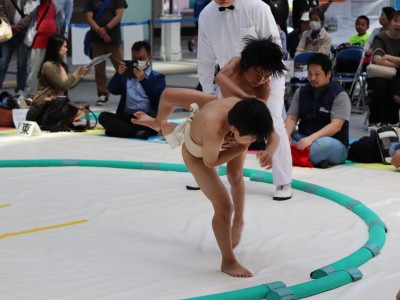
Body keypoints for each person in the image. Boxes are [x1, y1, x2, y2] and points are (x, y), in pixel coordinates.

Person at [134, 92, 279, 277]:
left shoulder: (251, 111)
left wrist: (270, 150)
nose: (252, 143)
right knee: (224, 207)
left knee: (235, 176)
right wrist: (241, 147)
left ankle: (161, 126)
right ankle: (228, 261)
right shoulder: (214, 126)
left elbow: (274, 135)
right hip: (197, 155)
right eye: (251, 139)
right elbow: (211, 161)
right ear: (233, 129)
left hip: (204, 133)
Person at [197, 0, 293, 200]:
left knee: (272, 120)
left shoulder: (258, 8)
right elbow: (205, 58)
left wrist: (263, 81)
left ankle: (283, 180)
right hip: (229, 77)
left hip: (265, 76)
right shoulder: (207, 14)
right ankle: (203, 172)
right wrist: (208, 95)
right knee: (214, 121)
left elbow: (274, 52)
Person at [285, 53, 351, 168]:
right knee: (277, 139)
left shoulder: (339, 95)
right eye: (310, 74)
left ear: (328, 74)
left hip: (332, 142)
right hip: (302, 138)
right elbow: (291, 117)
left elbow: (336, 126)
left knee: (319, 147)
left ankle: (293, 155)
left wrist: (310, 139)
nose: (312, 78)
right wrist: (285, 137)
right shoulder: (301, 92)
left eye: (317, 74)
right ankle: (305, 157)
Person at [98, 40, 166, 139]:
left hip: (147, 117)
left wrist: (143, 81)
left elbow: (158, 100)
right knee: (103, 117)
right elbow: (112, 90)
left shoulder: (158, 77)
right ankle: (136, 133)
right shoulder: (127, 74)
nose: (138, 62)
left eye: (141, 59)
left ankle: (123, 131)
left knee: (156, 119)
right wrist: (118, 74)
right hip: (128, 117)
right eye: (134, 59)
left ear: (149, 59)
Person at [26, 34, 89, 123]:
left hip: (57, 103)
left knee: (80, 112)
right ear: (56, 47)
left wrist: (81, 74)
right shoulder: (48, 65)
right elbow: (62, 86)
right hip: (45, 103)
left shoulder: (62, 66)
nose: (66, 50)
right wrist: (75, 74)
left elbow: (69, 86)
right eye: (64, 47)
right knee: (71, 113)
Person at [84, 0, 128, 106]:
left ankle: (129, 92)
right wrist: (100, 31)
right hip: (96, 39)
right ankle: (102, 94)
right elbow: (89, 17)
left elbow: (119, 15)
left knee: (121, 67)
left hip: (113, 38)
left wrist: (106, 28)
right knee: (99, 69)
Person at [367, 10, 400, 129]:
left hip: (398, 76)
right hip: (379, 73)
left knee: (396, 88)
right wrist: (397, 63)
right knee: (381, 85)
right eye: (396, 21)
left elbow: (383, 59)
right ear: (390, 22)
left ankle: (386, 121)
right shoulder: (380, 37)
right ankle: (373, 121)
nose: (398, 25)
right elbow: (378, 60)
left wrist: (388, 57)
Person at [26, 0, 64, 99]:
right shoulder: (33, 4)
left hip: (53, 44)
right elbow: (26, 14)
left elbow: (61, 21)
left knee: (54, 69)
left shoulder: (56, 4)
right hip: (38, 42)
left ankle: (54, 93)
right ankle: (32, 94)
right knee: (35, 70)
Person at [0, 0, 31, 97]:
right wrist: (10, 27)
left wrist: (20, 25)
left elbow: (31, 12)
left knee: (22, 64)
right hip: (8, 32)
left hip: (23, 32)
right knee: (2, 63)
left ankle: (20, 90)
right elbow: (1, 11)